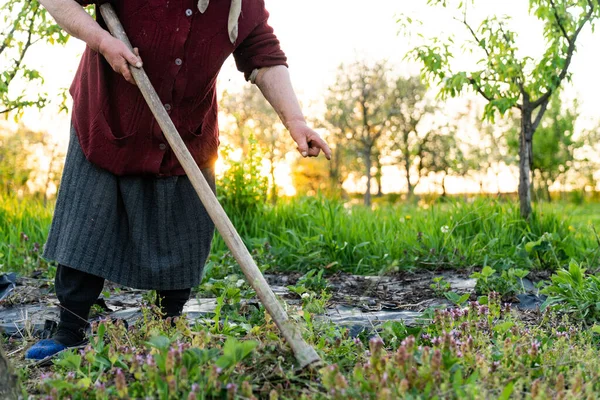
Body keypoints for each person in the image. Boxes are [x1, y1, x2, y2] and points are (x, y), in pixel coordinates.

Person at [26, 0, 331, 360]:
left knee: (181, 231)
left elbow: (263, 56)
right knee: (88, 225)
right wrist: (102, 41)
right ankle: (70, 328)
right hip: (111, 117)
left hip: (185, 131)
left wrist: (294, 120)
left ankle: (167, 326)